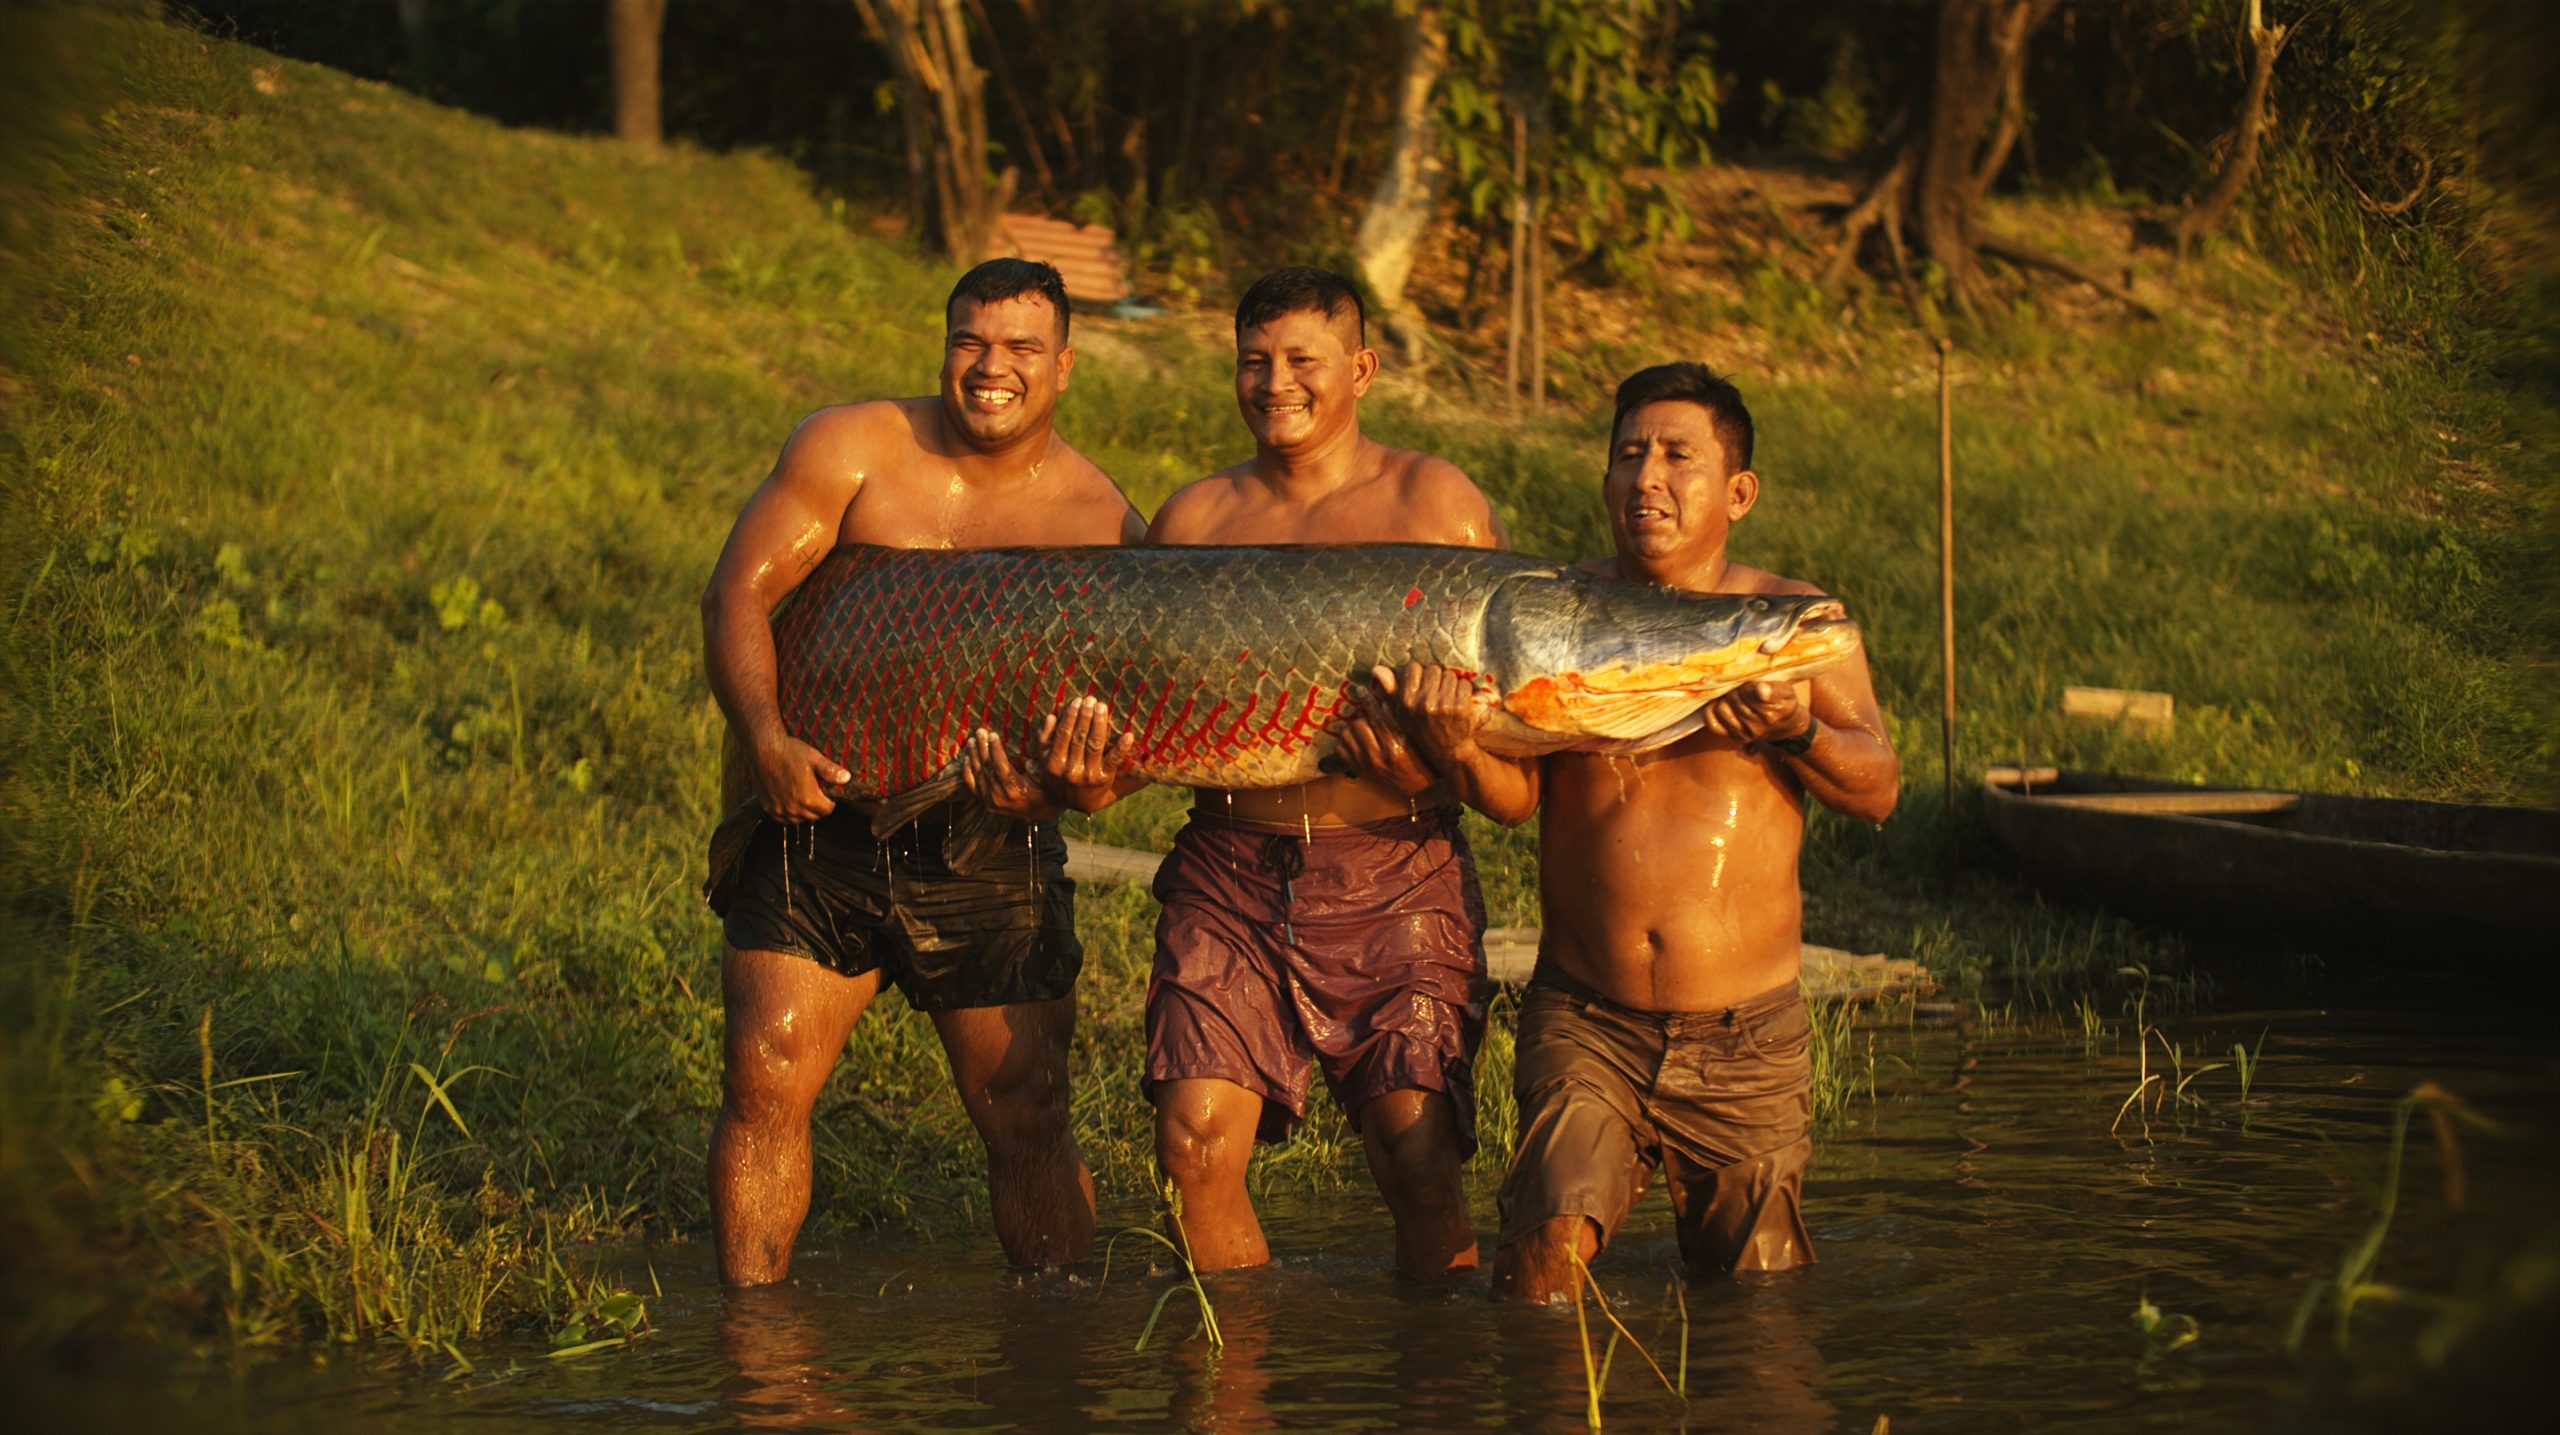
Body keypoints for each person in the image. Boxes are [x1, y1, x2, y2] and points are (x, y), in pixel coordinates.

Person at [699, 258, 1145, 1287]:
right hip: (816, 815)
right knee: (762, 1076)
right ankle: (756, 1359)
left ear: (1063, 367)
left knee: (1025, 1108)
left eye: (1021, 349)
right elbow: (736, 594)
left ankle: (1056, 1359)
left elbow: (1124, 744)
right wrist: (764, 739)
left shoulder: (1100, 524)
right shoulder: (852, 445)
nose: (991, 368)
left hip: (985, 839)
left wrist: (1073, 787)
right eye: (970, 342)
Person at [1468, 361, 1899, 1301]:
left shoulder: (1792, 621)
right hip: (1587, 1014)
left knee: (1759, 1304)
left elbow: (1877, 786)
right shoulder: (1555, 610)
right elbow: (1517, 795)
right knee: (1542, 1266)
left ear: (1738, 490)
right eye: (1629, 455)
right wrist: (1450, 735)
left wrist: (1799, 730)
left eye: (1677, 456)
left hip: (1747, 1032)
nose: (1647, 479)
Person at [1141, 265, 1534, 1279]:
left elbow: (1504, 729)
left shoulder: (1432, 501)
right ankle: (1237, 1389)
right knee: (1192, 1143)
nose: (1276, 383)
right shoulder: (1192, 521)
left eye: (1302, 360)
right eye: (1254, 361)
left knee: (1417, 1156)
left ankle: (1437, 1390)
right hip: (1229, 860)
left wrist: (1431, 752)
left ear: (1359, 369)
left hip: (1393, 863)